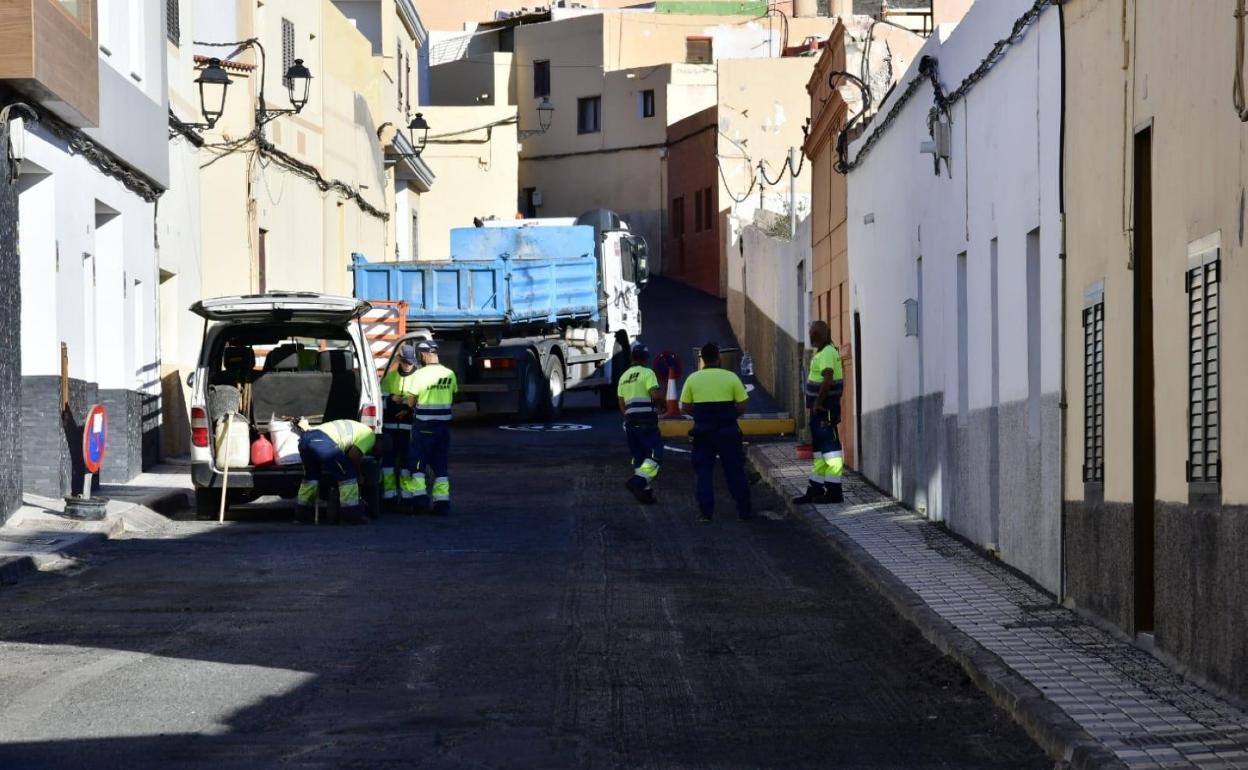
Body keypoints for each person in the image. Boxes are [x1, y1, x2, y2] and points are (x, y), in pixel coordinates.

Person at [680, 342, 753, 523]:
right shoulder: (731, 377)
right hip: (727, 430)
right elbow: (743, 404)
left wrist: (700, 416)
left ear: (702, 360)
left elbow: (685, 407)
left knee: (704, 472)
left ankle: (706, 513)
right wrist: (729, 415)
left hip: (703, 432)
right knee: (734, 470)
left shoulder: (693, 379)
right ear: (718, 358)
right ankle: (744, 511)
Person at [296, 418, 387, 525]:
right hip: (321, 440)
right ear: (380, 443)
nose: (375, 453)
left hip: (305, 440)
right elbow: (353, 456)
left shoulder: (360, 429)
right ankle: (351, 517)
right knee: (348, 477)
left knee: (311, 478)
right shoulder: (370, 436)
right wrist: (358, 475)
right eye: (380, 451)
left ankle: (301, 516)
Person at [404, 339, 458, 515]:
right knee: (440, 466)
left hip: (423, 428)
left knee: (417, 465)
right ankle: (442, 504)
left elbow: (411, 402)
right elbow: (452, 396)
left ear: (424, 354)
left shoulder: (419, 375)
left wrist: (403, 401)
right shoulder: (450, 374)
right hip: (443, 428)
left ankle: (420, 501)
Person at [795, 320, 846, 505]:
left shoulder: (827, 353)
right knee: (819, 453)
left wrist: (818, 402)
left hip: (824, 409)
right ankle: (815, 489)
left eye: (811, 333)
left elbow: (828, 378)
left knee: (831, 452)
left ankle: (834, 492)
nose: (809, 336)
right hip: (820, 410)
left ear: (816, 335)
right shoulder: (825, 351)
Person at [617, 341, 665, 504]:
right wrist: (663, 405)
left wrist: (630, 418)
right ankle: (636, 483)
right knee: (655, 455)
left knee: (639, 458)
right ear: (645, 359)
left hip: (631, 423)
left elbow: (622, 405)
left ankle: (645, 493)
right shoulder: (647, 373)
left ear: (632, 358)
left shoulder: (623, 378)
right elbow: (655, 395)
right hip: (647, 422)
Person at [380, 344, 420, 507]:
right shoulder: (389, 377)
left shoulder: (419, 377)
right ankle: (389, 498)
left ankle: (405, 498)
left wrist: (405, 409)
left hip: (408, 428)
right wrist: (390, 399)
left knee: (405, 464)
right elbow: (381, 399)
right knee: (388, 464)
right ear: (399, 360)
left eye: (410, 362)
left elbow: (420, 400)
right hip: (390, 426)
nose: (408, 365)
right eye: (405, 362)